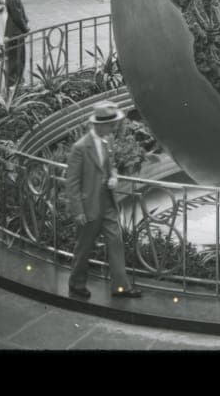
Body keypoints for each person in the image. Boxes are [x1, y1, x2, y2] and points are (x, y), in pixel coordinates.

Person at [66, 101, 143, 300]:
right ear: (99, 125)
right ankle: (76, 283)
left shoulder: (106, 142)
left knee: (116, 242)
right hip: (88, 205)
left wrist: (113, 176)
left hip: (107, 203)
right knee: (84, 247)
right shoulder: (80, 148)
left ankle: (121, 288)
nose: (113, 128)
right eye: (110, 125)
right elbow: (72, 182)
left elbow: (111, 166)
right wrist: (78, 211)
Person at [4, 0, 30, 87]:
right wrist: (26, 29)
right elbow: (17, 16)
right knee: (16, 58)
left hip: (16, 31)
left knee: (19, 57)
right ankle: (14, 82)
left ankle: (18, 80)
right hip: (15, 32)